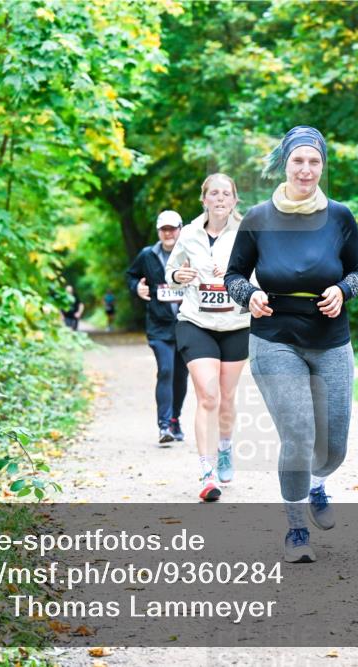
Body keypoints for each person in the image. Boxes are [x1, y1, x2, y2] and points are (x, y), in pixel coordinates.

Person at [226, 126, 358, 563]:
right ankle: (296, 528)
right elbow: (233, 276)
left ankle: (316, 483)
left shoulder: (341, 217)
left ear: (323, 166)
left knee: (334, 445)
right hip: (274, 337)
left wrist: (343, 290)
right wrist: (250, 295)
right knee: (299, 433)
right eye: (298, 161)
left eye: (314, 161)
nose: (306, 169)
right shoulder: (257, 218)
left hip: (330, 338)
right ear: (285, 165)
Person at [166, 174, 251, 502]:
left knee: (227, 399)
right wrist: (178, 275)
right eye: (213, 193)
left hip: (235, 324)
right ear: (204, 200)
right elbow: (171, 273)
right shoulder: (188, 233)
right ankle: (206, 472)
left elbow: (260, 273)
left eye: (225, 194)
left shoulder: (247, 233)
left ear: (234, 200)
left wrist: (232, 276)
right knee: (208, 397)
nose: (219, 199)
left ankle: (225, 448)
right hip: (195, 322)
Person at [125, 211, 190, 445]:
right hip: (159, 326)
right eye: (164, 229)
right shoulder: (148, 255)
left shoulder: (191, 252)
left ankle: (174, 419)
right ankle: (164, 425)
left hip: (186, 324)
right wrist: (137, 288)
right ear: (158, 231)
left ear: (181, 229)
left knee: (181, 376)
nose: (168, 233)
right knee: (166, 370)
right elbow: (131, 275)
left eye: (173, 228)